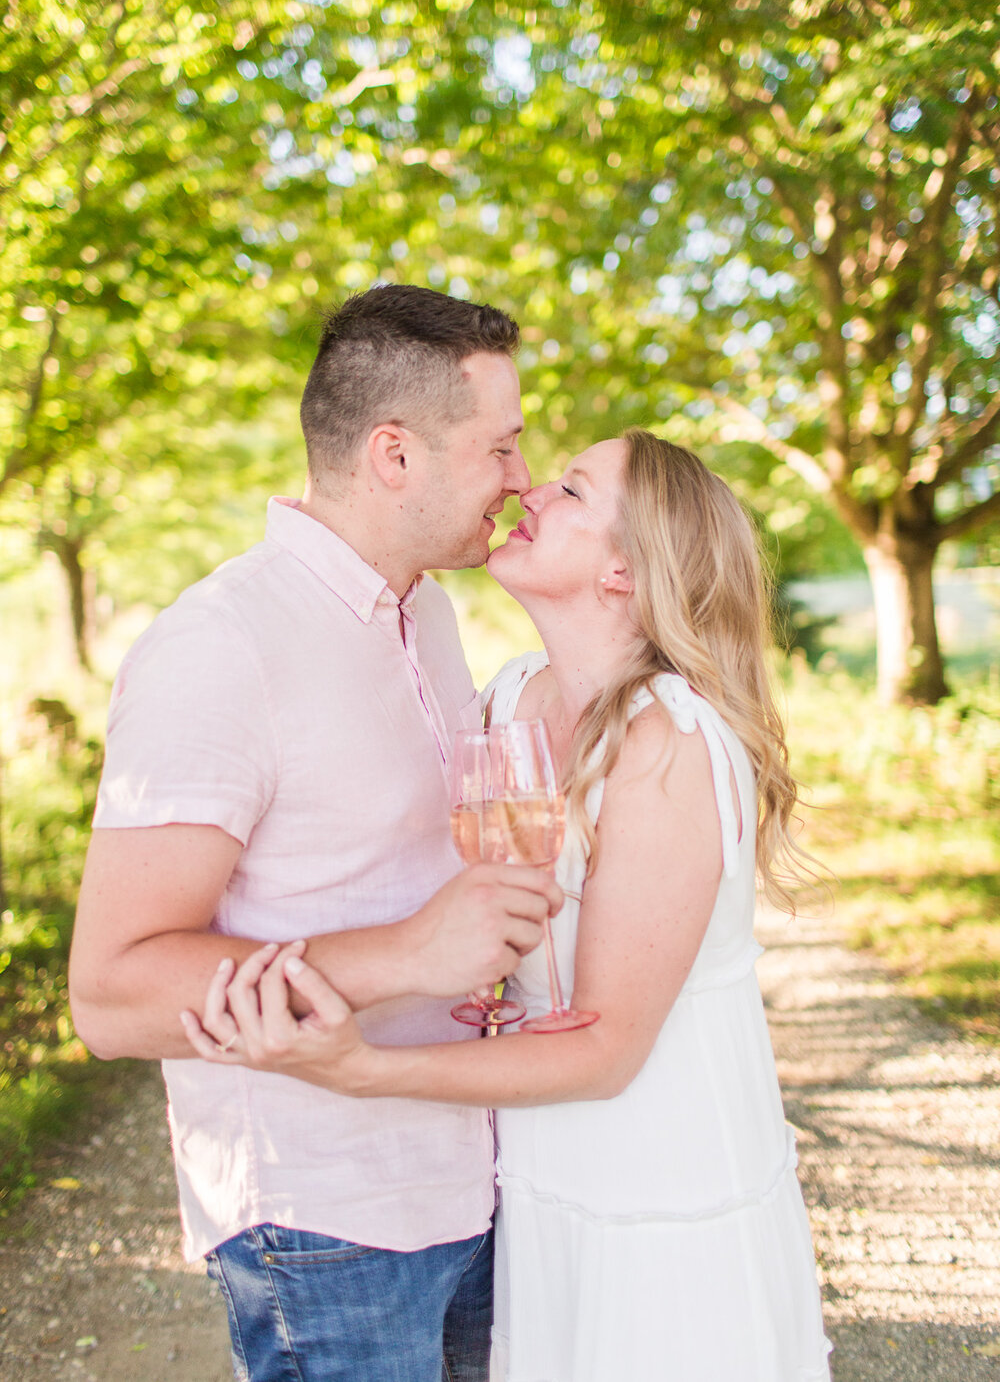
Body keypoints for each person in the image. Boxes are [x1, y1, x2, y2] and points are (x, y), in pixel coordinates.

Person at [183, 428, 835, 1382]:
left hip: (653, 1176)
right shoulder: (511, 700)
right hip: (535, 1167)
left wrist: (360, 1067)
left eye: (571, 490)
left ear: (625, 572)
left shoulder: (670, 746)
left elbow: (608, 1051)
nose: (529, 493)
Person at [68, 284, 565, 1382]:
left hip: (465, 1171)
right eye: (503, 448)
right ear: (395, 455)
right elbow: (110, 994)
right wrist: (409, 954)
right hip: (323, 1219)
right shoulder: (220, 647)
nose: (523, 480)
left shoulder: (426, 611)